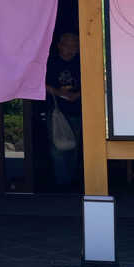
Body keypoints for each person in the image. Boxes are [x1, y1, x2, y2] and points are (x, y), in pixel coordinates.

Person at [45, 31, 82, 189]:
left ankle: (72, 181)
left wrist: (77, 94)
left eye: (75, 46)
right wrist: (59, 93)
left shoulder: (82, 62)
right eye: (68, 45)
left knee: (76, 147)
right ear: (59, 45)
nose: (71, 49)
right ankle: (61, 183)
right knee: (57, 147)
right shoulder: (50, 62)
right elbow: (40, 83)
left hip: (77, 110)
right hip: (56, 112)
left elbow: (93, 79)